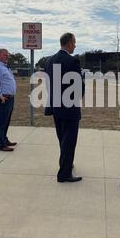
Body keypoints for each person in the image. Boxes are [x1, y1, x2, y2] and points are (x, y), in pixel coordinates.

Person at [45, 32, 85, 183]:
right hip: (69, 107)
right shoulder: (72, 61)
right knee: (69, 140)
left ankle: (66, 164)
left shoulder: (49, 61)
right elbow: (78, 86)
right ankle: (64, 173)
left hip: (55, 105)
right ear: (69, 43)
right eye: (74, 42)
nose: (75, 45)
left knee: (62, 138)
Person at [0, 49, 17, 152]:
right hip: (1, 99)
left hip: (8, 98)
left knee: (5, 121)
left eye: (7, 55)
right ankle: (0, 144)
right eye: (5, 55)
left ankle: (4, 139)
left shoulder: (2, 67)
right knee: (0, 121)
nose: (7, 57)